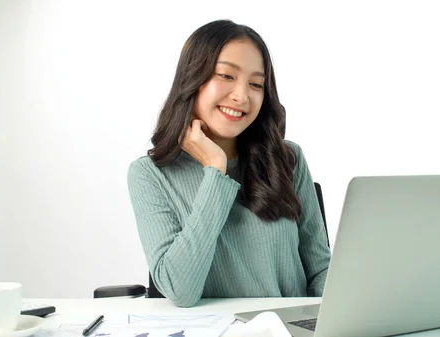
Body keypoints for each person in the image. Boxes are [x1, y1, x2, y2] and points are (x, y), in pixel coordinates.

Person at [127, 20, 331, 307]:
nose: (241, 96)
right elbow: (180, 291)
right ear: (192, 78)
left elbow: (321, 270)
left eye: (256, 84)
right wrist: (215, 169)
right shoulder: (150, 174)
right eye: (226, 75)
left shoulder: (287, 159)